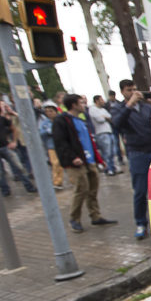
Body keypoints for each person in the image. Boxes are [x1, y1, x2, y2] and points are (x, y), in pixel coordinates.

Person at [53, 94, 118, 233]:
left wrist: (99, 159)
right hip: (76, 163)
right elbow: (60, 142)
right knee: (81, 189)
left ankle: (95, 216)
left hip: (89, 161)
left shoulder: (81, 120)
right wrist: (72, 158)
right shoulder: (62, 120)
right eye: (81, 103)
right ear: (74, 105)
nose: (84, 105)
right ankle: (74, 219)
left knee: (92, 189)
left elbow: (89, 142)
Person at [111, 79, 151, 239]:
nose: (133, 93)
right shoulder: (119, 108)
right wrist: (129, 105)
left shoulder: (147, 107)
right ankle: (141, 223)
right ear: (122, 92)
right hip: (137, 154)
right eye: (129, 90)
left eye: (135, 89)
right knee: (140, 192)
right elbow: (116, 124)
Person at [0, 99, 36, 196]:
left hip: (6, 146)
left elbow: (14, 129)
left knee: (19, 167)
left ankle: (29, 187)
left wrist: (14, 141)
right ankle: (5, 191)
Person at [89, 94, 118, 175]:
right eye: (101, 100)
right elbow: (100, 119)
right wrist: (105, 117)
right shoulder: (93, 109)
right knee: (106, 152)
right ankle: (108, 169)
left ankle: (112, 167)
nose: (103, 101)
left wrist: (105, 117)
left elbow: (110, 117)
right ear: (97, 100)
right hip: (101, 133)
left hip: (109, 132)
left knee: (112, 152)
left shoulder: (103, 109)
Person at [38, 103, 65, 190]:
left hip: (61, 144)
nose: (49, 113)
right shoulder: (45, 123)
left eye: (51, 111)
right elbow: (42, 133)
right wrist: (50, 131)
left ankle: (59, 182)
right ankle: (56, 182)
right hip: (51, 146)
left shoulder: (60, 120)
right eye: (47, 112)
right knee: (55, 163)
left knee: (60, 164)